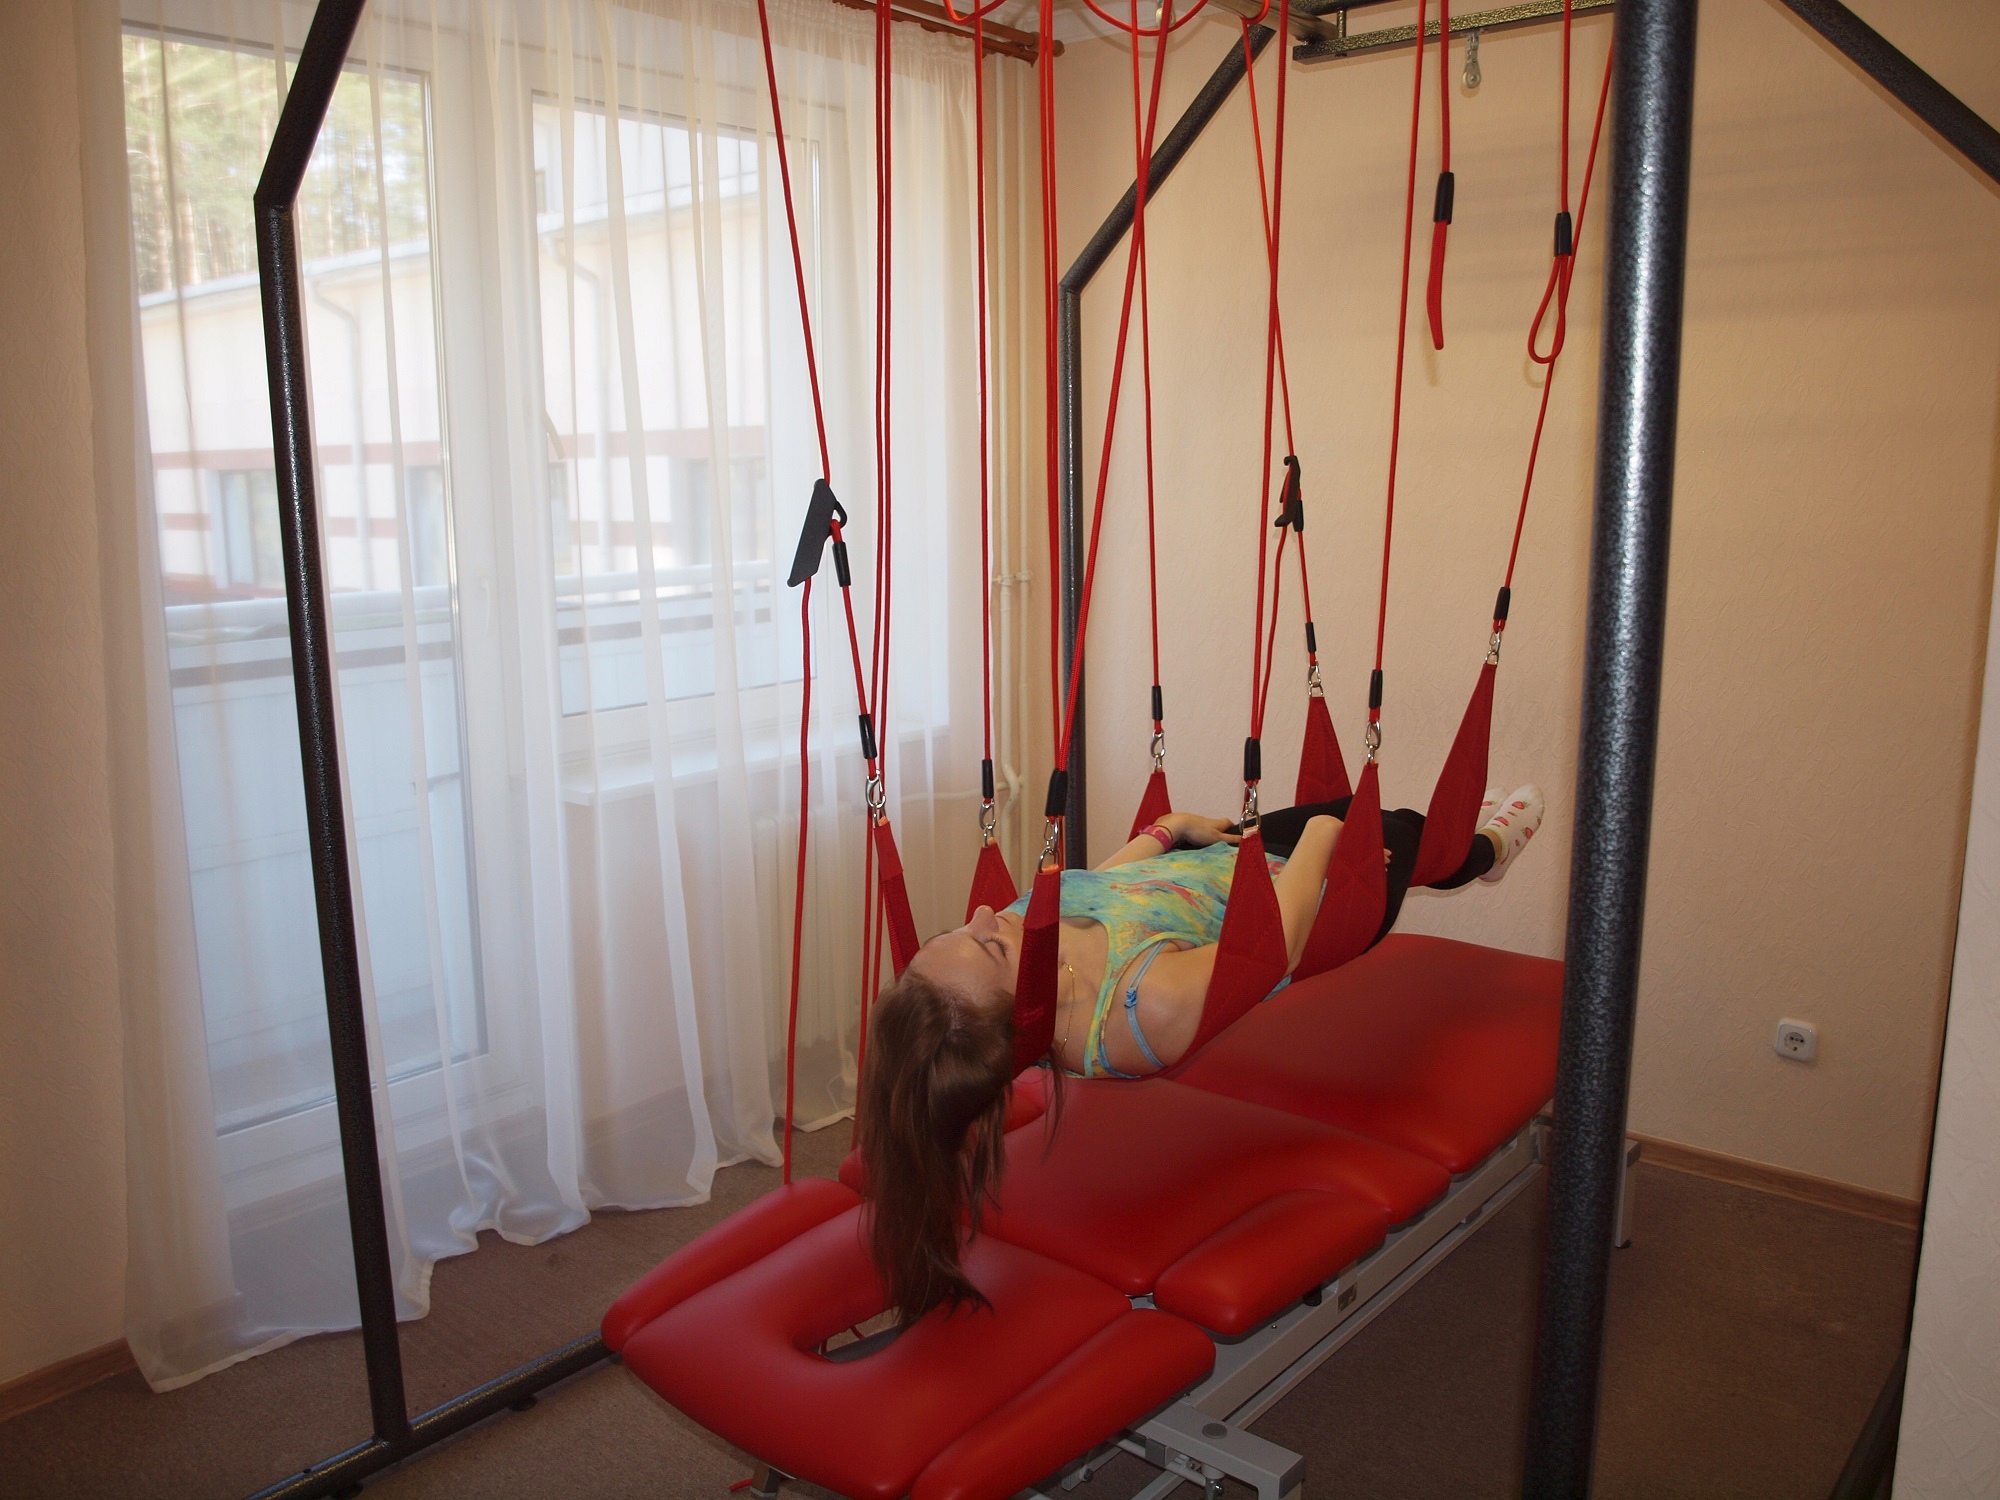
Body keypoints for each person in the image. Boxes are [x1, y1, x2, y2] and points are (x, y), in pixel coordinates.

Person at [857, 784, 1545, 1321]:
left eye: (961, 928)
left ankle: (1440, 837)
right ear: (1028, 1009)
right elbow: (1275, 945)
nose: (985, 915)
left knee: (1366, 806)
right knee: (1409, 835)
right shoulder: (1145, 1003)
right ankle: (1486, 851)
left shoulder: (1022, 942)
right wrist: (1324, 840)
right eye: (984, 943)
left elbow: (1101, 886)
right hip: (1314, 900)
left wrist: (1165, 831)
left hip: (1229, 860)